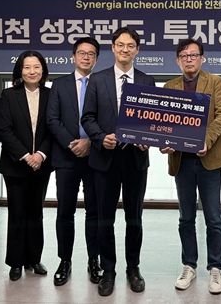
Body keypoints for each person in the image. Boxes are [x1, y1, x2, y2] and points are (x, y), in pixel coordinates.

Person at [81, 27, 155, 297]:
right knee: (105, 219)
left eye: (130, 45)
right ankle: (108, 270)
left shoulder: (147, 81)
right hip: (105, 159)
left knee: (135, 218)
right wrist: (101, 138)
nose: (125, 49)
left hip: (136, 159)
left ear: (137, 50)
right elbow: (87, 117)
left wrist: (147, 138)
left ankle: (133, 268)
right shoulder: (97, 79)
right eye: (120, 45)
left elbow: (153, 120)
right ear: (113, 48)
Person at [160, 38, 221, 295]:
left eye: (193, 55)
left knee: (213, 217)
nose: (189, 59)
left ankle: (215, 267)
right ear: (177, 60)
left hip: (208, 159)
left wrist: (206, 139)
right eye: (184, 56)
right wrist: (164, 142)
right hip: (182, 161)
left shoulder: (215, 82)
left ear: (202, 58)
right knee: (186, 217)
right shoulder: (169, 86)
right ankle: (189, 265)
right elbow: (164, 122)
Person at [46, 37, 102, 286]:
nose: (86, 57)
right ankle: (64, 260)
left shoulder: (102, 83)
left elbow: (108, 119)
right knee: (65, 212)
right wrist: (73, 143)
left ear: (96, 59)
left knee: (95, 212)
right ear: (73, 57)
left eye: (91, 54)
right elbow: (52, 120)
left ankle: (94, 261)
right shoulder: (59, 85)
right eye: (81, 53)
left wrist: (89, 142)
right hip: (66, 157)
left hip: (96, 156)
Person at [0, 51, 52, 281]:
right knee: (17, 213)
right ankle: (16, 262)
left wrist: (40, 155)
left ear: (43, 70)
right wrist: (25, 155)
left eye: (36, 67)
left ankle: (34, 259)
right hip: (15, 165)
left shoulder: (51, 95)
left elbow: (53, 127)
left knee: (36, 213)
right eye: (27, 67)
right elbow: (4, 129)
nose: (32, 71)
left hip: (42, 164)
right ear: (20, 70)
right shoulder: (9, 95)